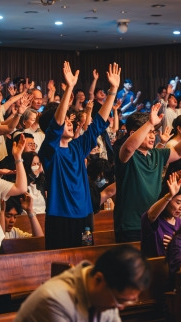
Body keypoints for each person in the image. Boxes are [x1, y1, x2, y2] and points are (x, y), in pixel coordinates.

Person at [38, 62, 121, 249]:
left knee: (84, 259)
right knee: (61, 263)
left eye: (70, 120)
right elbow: (56, 125)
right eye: (66, 120)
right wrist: (69, 89)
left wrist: (113, 90)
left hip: (84, 214)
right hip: (60, 216)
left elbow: (99, 123)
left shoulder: (77, 146)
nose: (69, 123)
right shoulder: (49, 150)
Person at [114, 103, 181, 242]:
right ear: (133, 134)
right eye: (148, 132)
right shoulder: (126, 154)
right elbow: (129, 148)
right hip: (131, 225)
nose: (152, 136)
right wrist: (149, 123)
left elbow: (179, 151)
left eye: (153, 132)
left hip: (155, 220)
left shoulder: (156, 154)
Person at [15, 245, 151, 322]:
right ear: (99, 280)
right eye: (120, 301)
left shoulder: (107, 294)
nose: (120, 308)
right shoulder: (53, 300)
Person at [141, 171, 181, 257]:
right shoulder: (154, 220)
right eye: (178, 202)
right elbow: (151, 215)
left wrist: (177, 246)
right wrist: (169, 195)